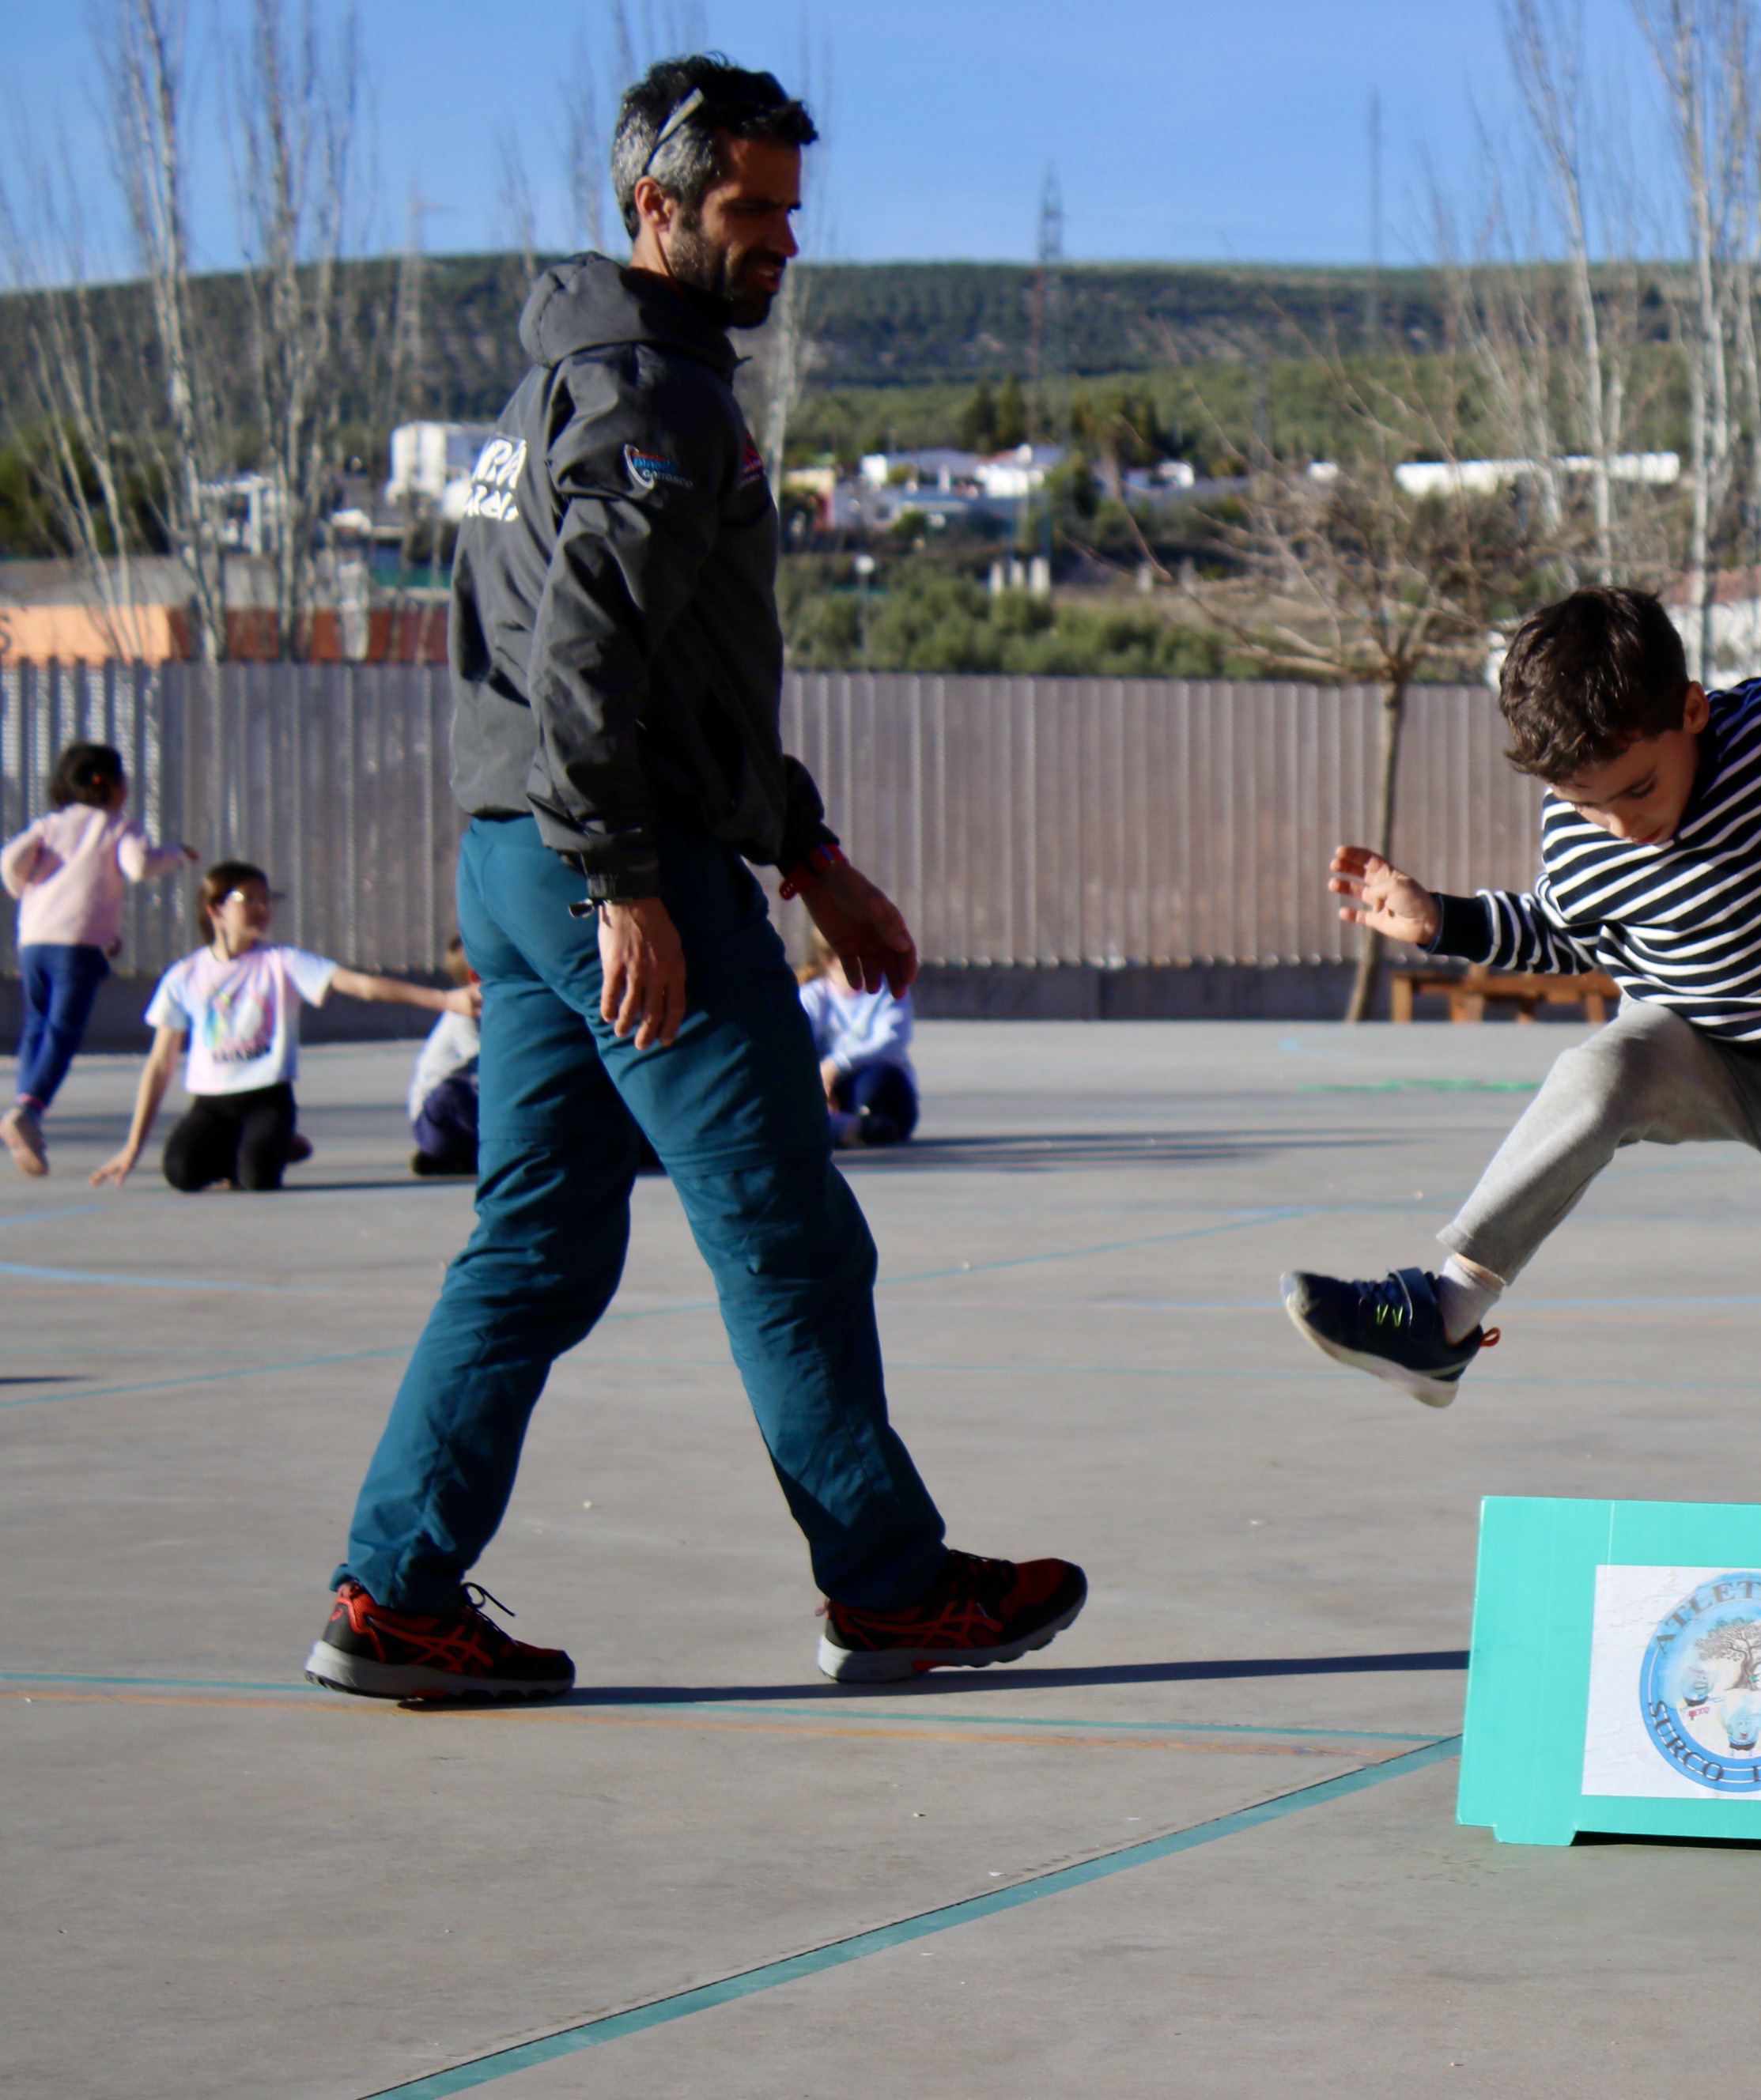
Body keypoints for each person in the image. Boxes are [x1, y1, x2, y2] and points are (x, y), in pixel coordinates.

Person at [307, 55, 1083, 1708]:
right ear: (654, 205)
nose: (781, 246)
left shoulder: (570, 385)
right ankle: (885, 1580)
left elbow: (682, 680)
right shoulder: (657, 401)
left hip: (521, 862)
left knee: (535, 1247)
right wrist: (630, 881)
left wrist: (809, 855)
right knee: (788, 1232)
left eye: (792, 214)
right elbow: (589, 663)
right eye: (751, 212)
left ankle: (392, 1589)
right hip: (613, 865)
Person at [1276, 584, 1761, 1517]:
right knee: (1601, 1071)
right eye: (1587, 804)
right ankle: (1440, 1317)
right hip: (1686, 1041)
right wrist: (1448, 920)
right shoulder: (1584, 830)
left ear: (1691, 709)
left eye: (1640, 788)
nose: (1622, 824)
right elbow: (1569, 932)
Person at [89, 863, 480, 1193]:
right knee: (182, 1174)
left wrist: (446, 1000)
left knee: (257, 1181)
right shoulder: (185, 975)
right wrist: (132, 1147)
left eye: (266, 900)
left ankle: (269, 1142)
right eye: (248, 900)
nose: (261, 908)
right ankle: (256, 1147)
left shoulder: (282, 962)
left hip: (266, 1098)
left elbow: (362, 986)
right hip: (212, 1102)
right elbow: (159, 1064)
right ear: (215, 911)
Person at [1, 742, 193, 1175]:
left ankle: (25, 1106)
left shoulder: (49, 824)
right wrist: (177, 854)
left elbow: (11, 858)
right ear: (109, 785)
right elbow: (138, 867)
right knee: (63, 1032)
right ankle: (28, 1112)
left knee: (36, 1026)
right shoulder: (119, 827)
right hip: (79, 949)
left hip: (33, 942)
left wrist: (20, 886)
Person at [799, 928, 920, 1146]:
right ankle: (844, 1127)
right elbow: (795, 1049)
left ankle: (859, 1125)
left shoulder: (889, 990)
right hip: (826, 1092)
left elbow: (891, 1043)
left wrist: (834, 1066)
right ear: (830, 960)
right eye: (861, 953)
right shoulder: (812, 998)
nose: (872, 958)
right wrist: (817, 1085)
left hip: (873, 1089)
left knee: (881, 1079)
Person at [408, 938, 482, 1177]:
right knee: (452, 1091)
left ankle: (454, 1158)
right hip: (432, 1120)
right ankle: (498, 1145)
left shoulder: (488, 1011)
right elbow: (487, 1065)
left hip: (454, 1127)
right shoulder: (461, 1015)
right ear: (475, 977)